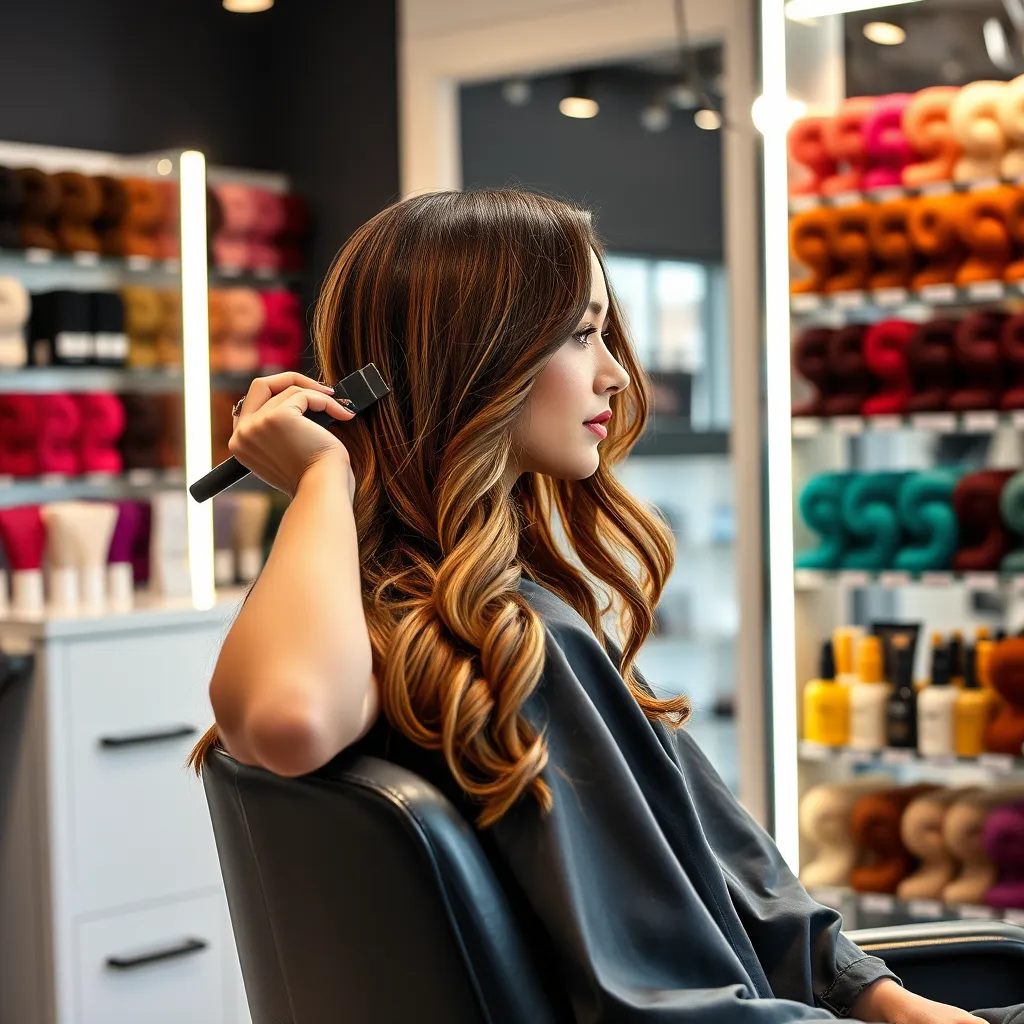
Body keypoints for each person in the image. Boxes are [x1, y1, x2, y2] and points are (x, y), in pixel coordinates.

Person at [187, 189, 1021, 1024]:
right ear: (477, 358)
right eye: (582, 334)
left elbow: (717, 865)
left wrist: (879, 999)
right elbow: (287, 720)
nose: (616, 371)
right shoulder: (508, 642)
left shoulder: (414, 629)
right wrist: (326, 480)